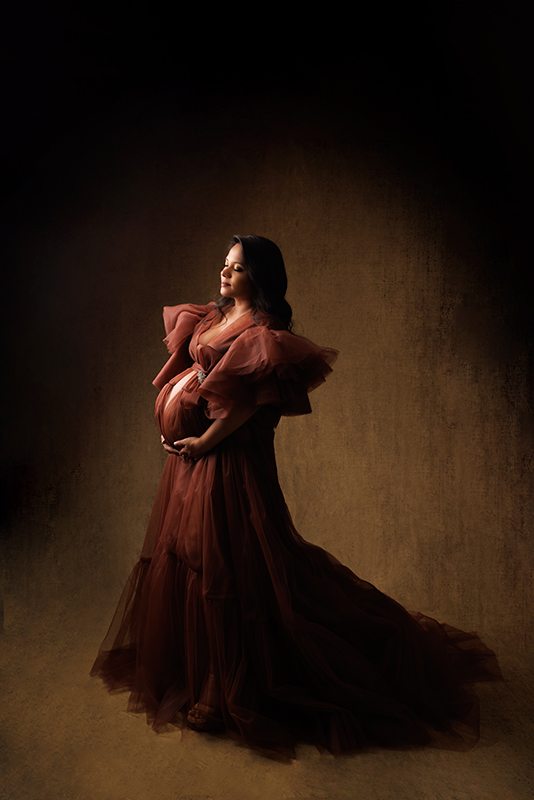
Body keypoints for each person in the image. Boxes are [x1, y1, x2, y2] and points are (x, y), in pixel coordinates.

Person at [91, 234, 501, 761]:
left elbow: (246, 405)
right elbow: (191, 373)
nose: (225, 274)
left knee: (229, 567)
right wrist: (173, 409)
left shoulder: (266, 333)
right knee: (190, 557)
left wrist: (203, 441)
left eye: (237, 269)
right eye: (225, 264)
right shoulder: (213, 316)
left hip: (227, 463)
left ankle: (224, 686)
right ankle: (202, 671)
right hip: (189, 462)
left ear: (259, 278)